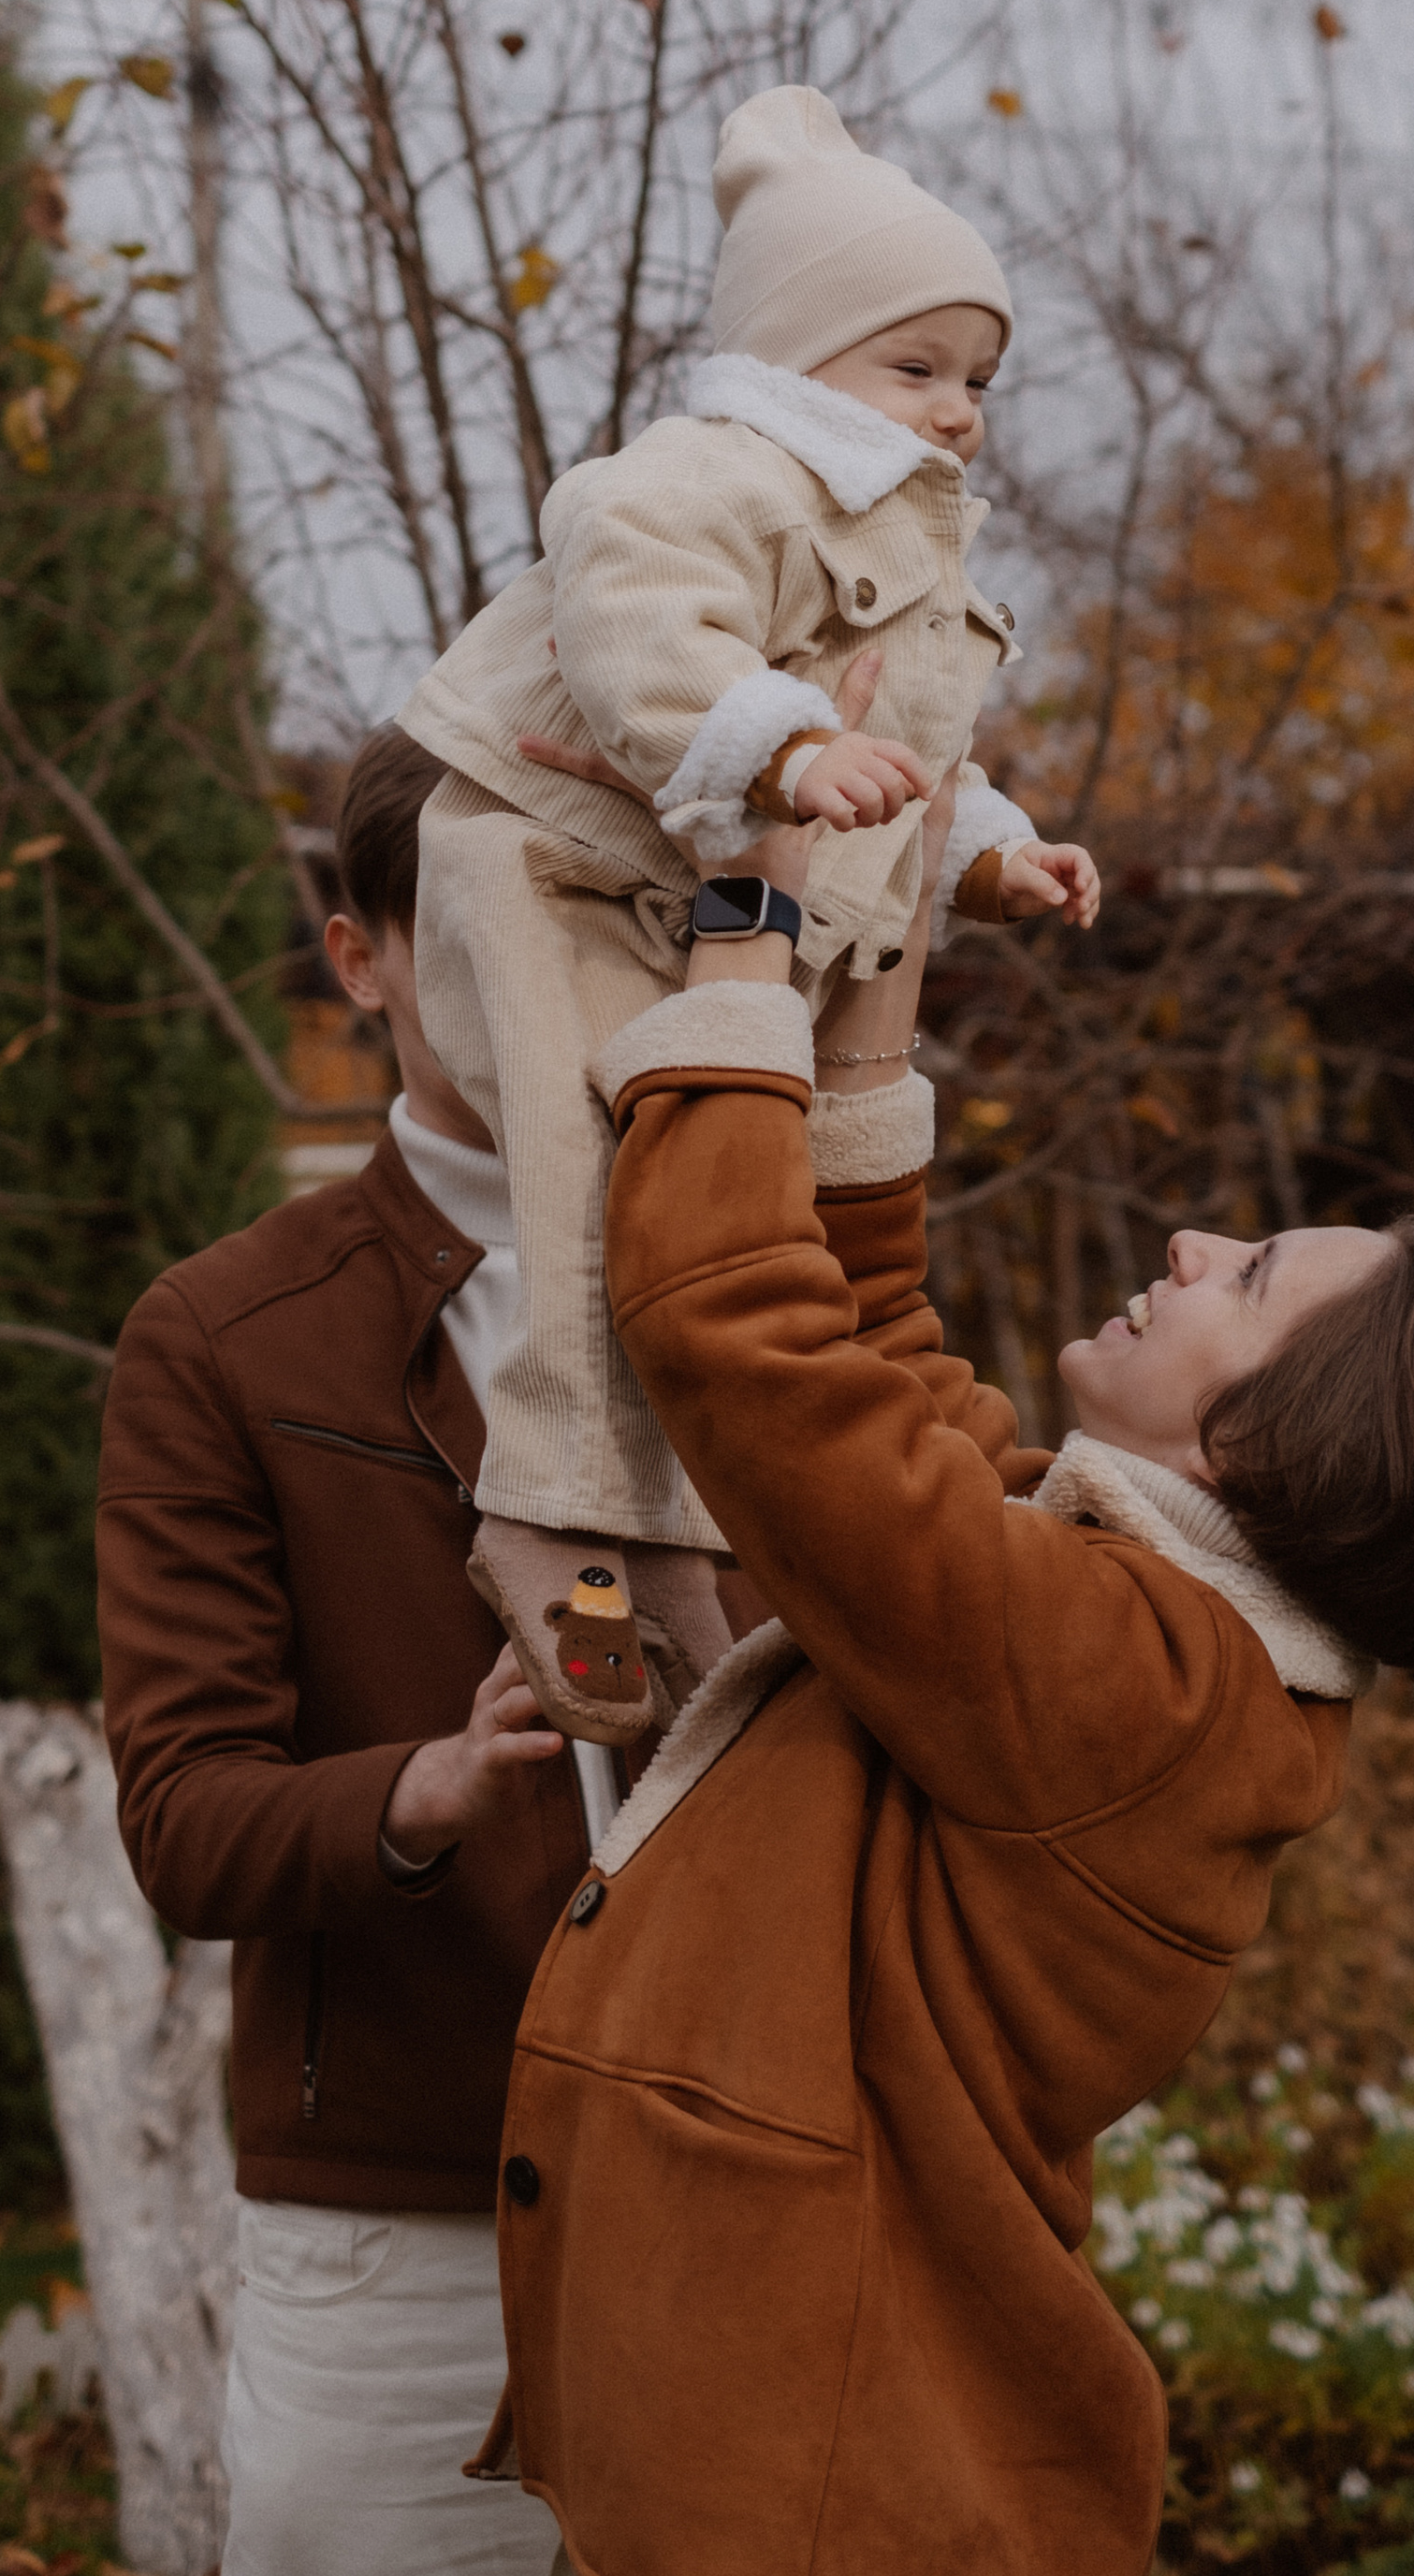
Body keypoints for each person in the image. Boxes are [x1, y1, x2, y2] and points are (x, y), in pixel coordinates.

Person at [472, 757, 1414, 2576]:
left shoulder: (1133, 1689)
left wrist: (745, 958)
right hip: (791, 2506)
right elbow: (886, 1365)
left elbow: (752, 1354)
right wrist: (868, 977)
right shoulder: (1135, 1638)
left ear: (1275, 1447)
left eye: (1245, 1279)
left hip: (814, 2544)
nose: (1189, 1243)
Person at [394, 84, 1101, 1741]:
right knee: (592, 1179)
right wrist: (779, 745)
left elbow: (917, 751)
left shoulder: (914, 554)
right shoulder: (720, 469)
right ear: (794, 359)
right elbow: (628, 593)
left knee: (706, 1214)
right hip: (541, 852)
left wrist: (990, 852)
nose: (958, 414)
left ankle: (673, 1541)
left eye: (979, 379)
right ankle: (548, 1513)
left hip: (682, 901)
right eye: (915, 368)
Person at [96, 722, 586, 2576]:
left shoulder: (754, 1290)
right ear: (362, 956)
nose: (539, 974)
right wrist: (429, 1788)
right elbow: (187, 1820)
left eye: (580, 914)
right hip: (399, 2224)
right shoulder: (220, 1337)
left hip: (754, 2194)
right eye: (472, 920)